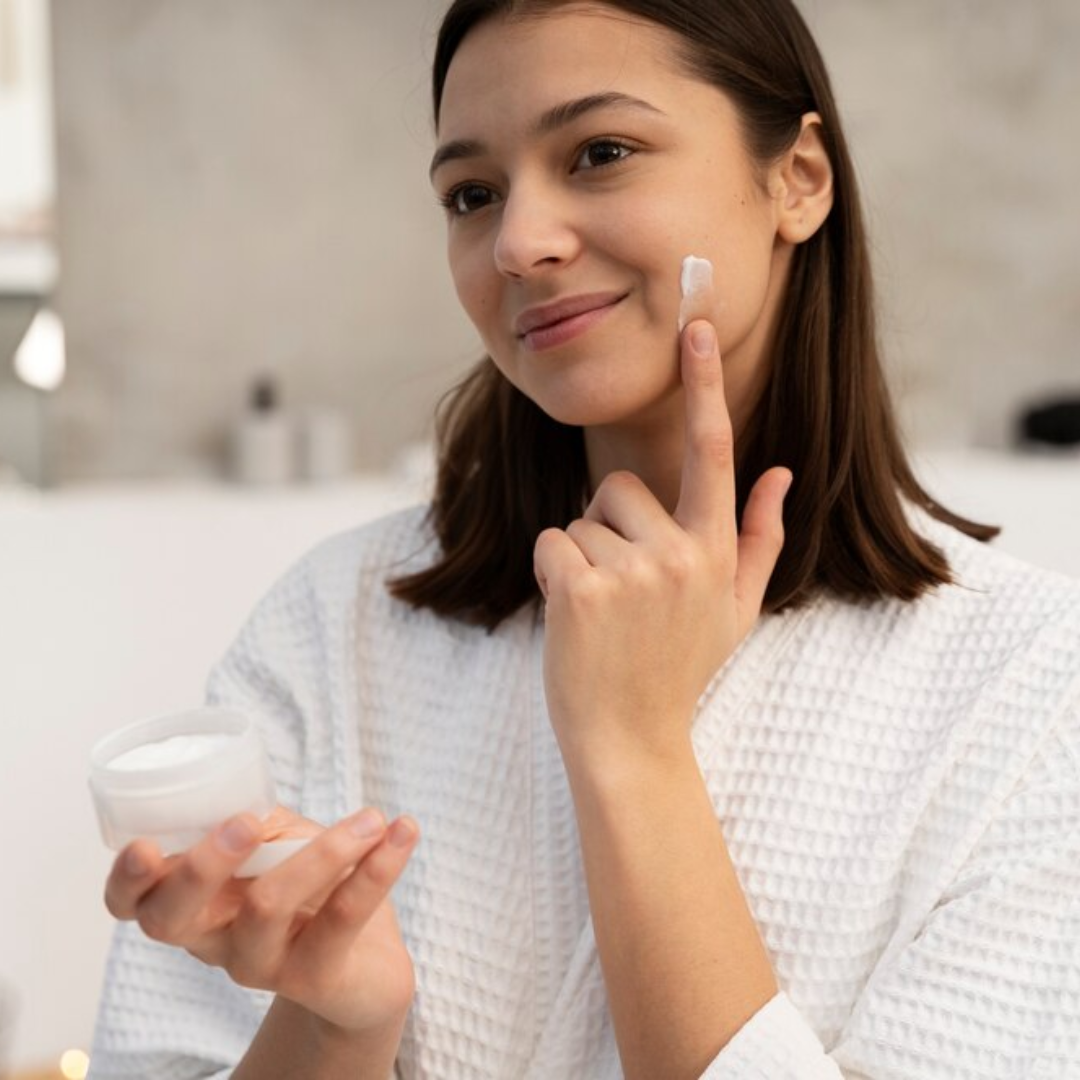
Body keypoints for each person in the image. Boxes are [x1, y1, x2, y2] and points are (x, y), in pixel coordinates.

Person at [88, 1, 1080, 1077]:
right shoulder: (333, 625)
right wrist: (334, 1027)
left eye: (601, 153)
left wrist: (634, 752)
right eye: (472, 195)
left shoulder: (1031, 688)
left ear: (797, 179)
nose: (519, 243)